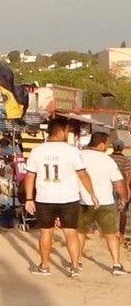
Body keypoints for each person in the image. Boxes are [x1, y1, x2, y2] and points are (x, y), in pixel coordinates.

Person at [22, 116, 97, 277]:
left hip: (45, 197)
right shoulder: (72, 151)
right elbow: (82, 174)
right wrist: (92, 194)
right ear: (62, 131)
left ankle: (45, 266)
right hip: (68, 198)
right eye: (67, 131)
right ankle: (75, 266)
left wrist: (29, 198)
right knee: (71, 232)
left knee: (46, 232)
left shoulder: (38, 150)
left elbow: (29, 176)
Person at [77, 127, 127, 275]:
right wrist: (123, 198)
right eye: (106, 144)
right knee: (111, 234)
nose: (107, 147)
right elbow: (118, 183)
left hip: (82, 201)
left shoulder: (79, 156)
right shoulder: (107, 160)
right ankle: (116, 264)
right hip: (105, 201)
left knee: (80, 232)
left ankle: (77, 261)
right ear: (100, 145)